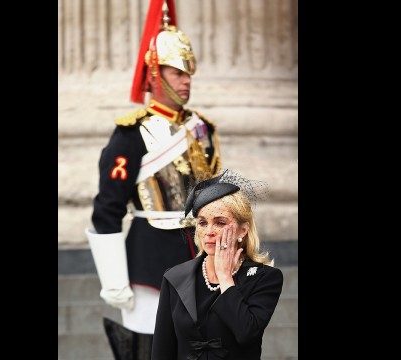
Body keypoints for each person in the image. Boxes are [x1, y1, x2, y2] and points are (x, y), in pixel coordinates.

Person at [84, 0, 222, 358]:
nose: (186, 80)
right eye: (177, 72)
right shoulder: (130, 135)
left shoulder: (201, 128)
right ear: (156, 74)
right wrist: (114, 281)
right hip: (150, 260)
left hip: (203, 256)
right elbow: (107, 209)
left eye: (188, 72)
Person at [151, 170, 283, 360]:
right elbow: (162, 350)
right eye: (202, 223)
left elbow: (246, 333)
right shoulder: (176, 277)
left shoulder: (265, 278)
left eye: (220, 223)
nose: (209, 231)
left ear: (242, 230)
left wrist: (225, 278)